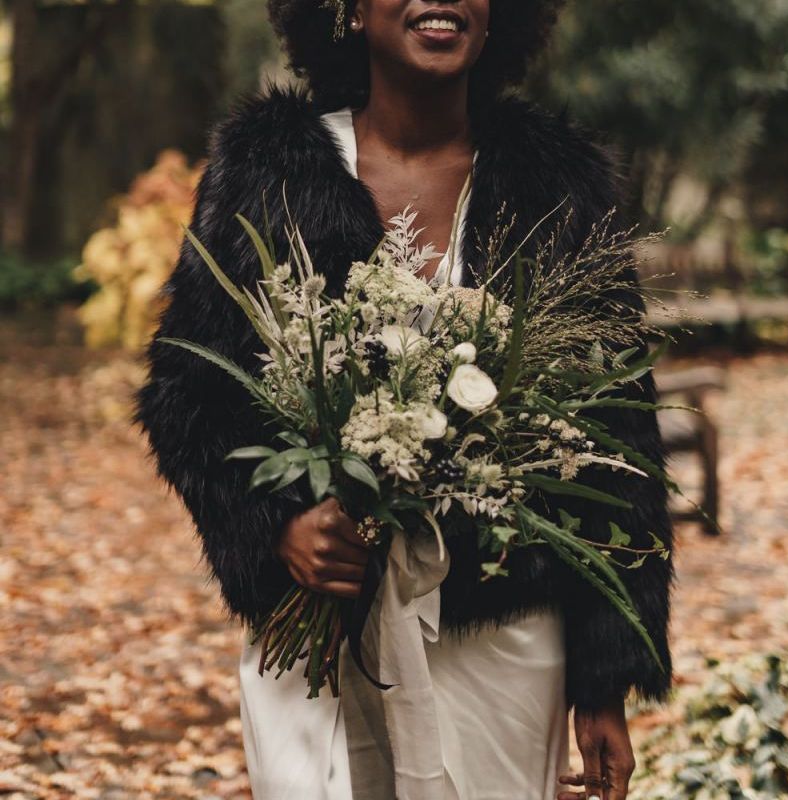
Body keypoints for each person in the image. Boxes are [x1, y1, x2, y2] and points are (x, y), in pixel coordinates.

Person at [134, 1, 675, 799]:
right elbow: (185, 395)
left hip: (501, 638)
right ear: (348, 8)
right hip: (318, 627)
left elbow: (618, 435)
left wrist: (606, 680)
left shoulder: (560, 185)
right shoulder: (264, 171)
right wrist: (275, 525)